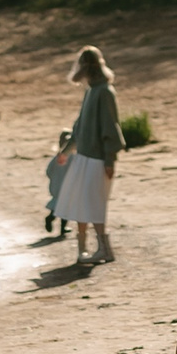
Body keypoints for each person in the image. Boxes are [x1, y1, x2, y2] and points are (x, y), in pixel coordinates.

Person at [52, 45, 122, 265]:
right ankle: (82, 249)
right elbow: (79, 126)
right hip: (84, 157)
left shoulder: (104, 92)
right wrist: (65, 152)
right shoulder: (91, 90)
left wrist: (110, 160)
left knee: (94, 204)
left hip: (98, 159)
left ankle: (104, 249)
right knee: (81, 203)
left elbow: (111, 129)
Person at [44, 130, 74, 236]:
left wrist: (54, 180)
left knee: (57, 207)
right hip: (68, 187)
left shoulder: (56, 158)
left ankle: (51, 219)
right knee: (65, 209)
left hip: (57, 186)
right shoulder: (73, 158)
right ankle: (63, 228)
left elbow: (49, 171)